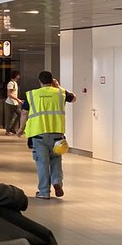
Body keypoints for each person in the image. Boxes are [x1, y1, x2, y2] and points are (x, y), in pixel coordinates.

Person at [20, 71, 76, 200]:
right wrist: (59, 87)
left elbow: (24, 113)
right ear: (53, 81)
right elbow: (74, 98)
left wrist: (21, 128)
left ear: (40, 81)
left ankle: (44, 192)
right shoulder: (60, 93)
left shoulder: (32, 94)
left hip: (38, 134)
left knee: (42, 163)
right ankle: (57, 181)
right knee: (56, 160)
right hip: (57, 134)